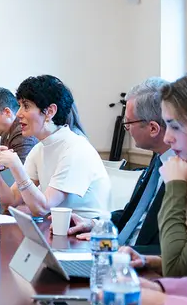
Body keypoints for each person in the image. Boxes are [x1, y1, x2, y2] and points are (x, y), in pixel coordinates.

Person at [121, 71, 187, 277]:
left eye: (174, 126)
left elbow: (176, 269)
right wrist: (151, 261)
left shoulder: (182, 176)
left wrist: (175, 186)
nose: (168, 138)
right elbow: (185, 260)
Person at [65, 78, 171, 255]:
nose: (126, 129)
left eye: (128, 123)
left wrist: (122, 250)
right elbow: (133, 214)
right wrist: (94, 223)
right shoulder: (158, 159)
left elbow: (175, 251)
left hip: (144, 268)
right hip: (115, 254)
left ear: (153, 128)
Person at [0, 75, 110, 219]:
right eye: (19, 106)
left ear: (50, 111)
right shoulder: (39, 149)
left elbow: (43, 208)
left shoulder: (76, 149)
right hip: (59, 229)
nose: (19, 113)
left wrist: (16, 166)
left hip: (90, 235)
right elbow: (11, 201)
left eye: (26, 106)